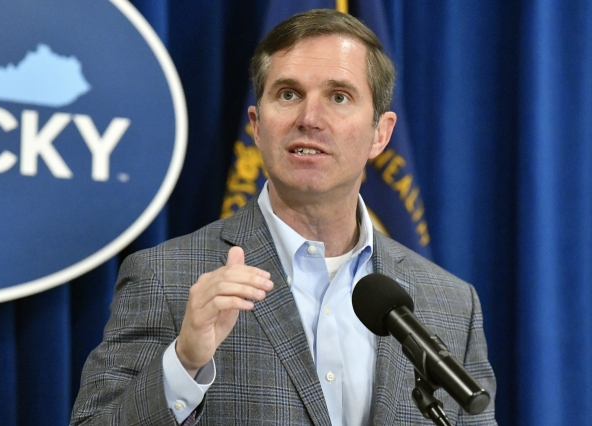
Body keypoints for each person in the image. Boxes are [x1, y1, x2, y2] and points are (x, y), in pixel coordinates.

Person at [71, 9, 496, 426]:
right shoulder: (167, 278)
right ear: (256, 126)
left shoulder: (451, 305)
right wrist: (183, 364)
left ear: (380, 133)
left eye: (339, 97)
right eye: (288, 94)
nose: (309, 119)